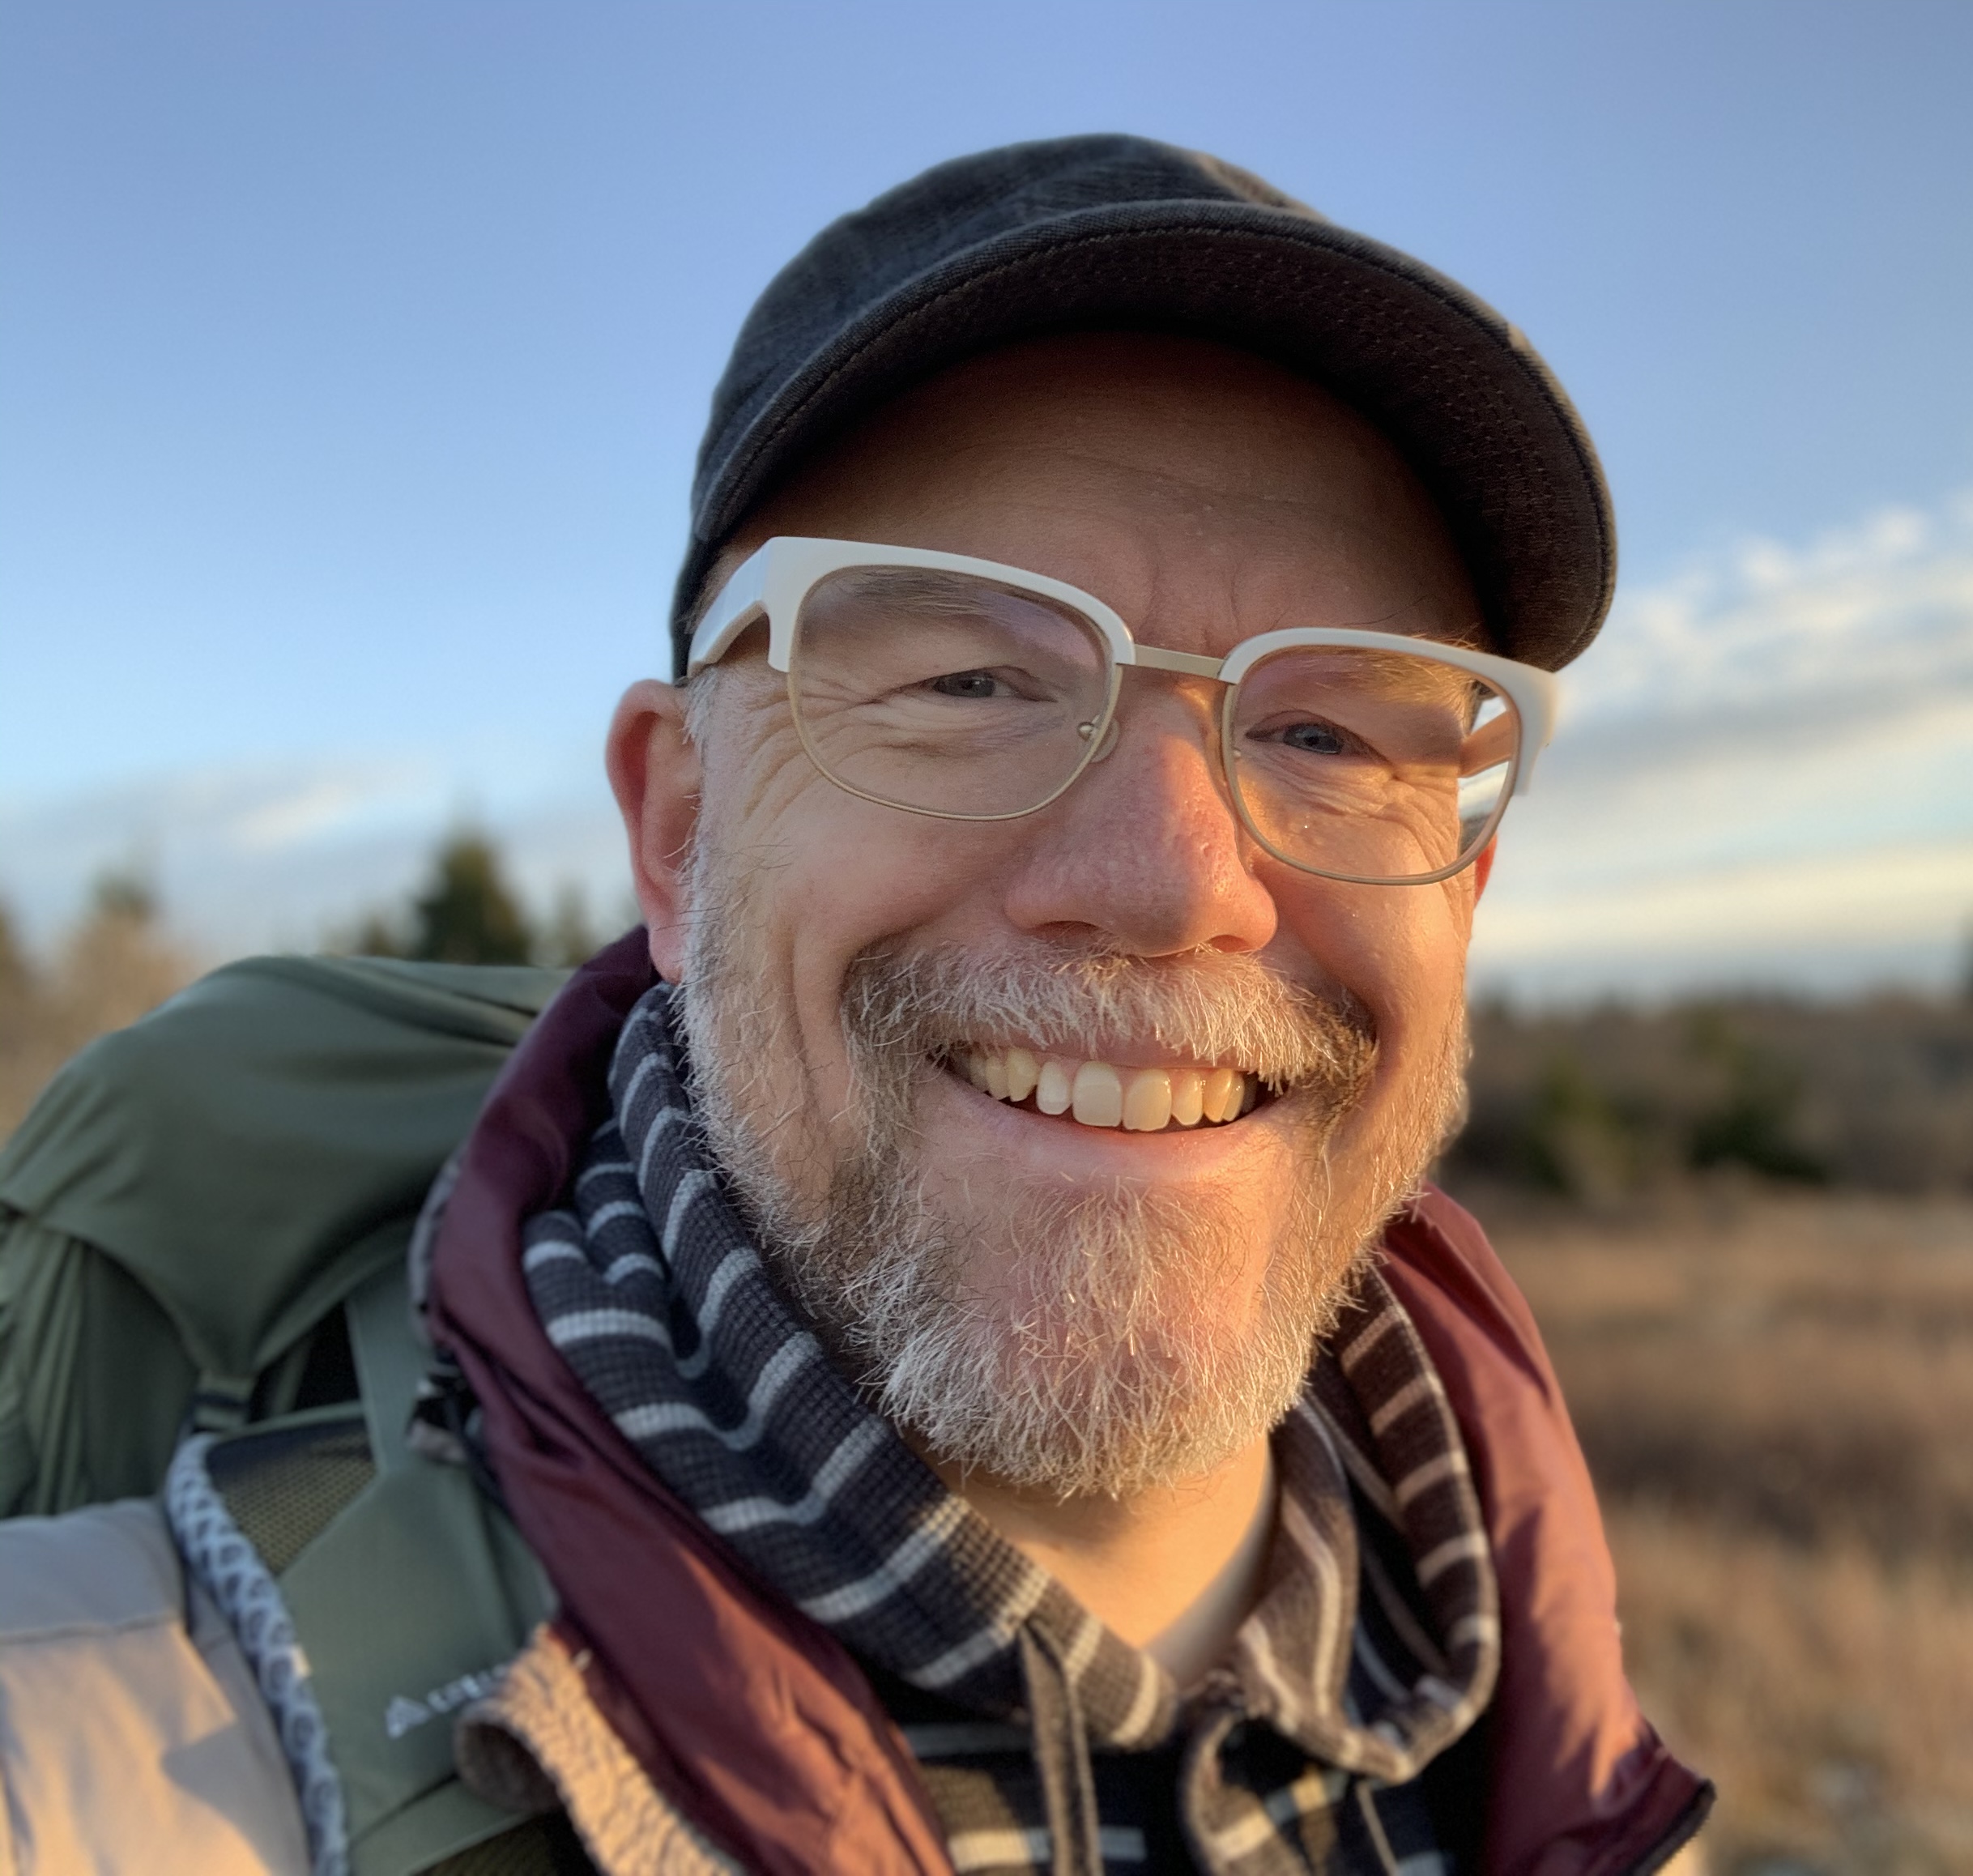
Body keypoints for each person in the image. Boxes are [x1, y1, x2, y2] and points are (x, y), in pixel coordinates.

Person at [0, 136, 1707, 1875]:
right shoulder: (98, 1759)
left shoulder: (1559, 1758)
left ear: (1463, 891)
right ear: (680, 830)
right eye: (971, 680)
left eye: (1331, 733)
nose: (1175, 880)